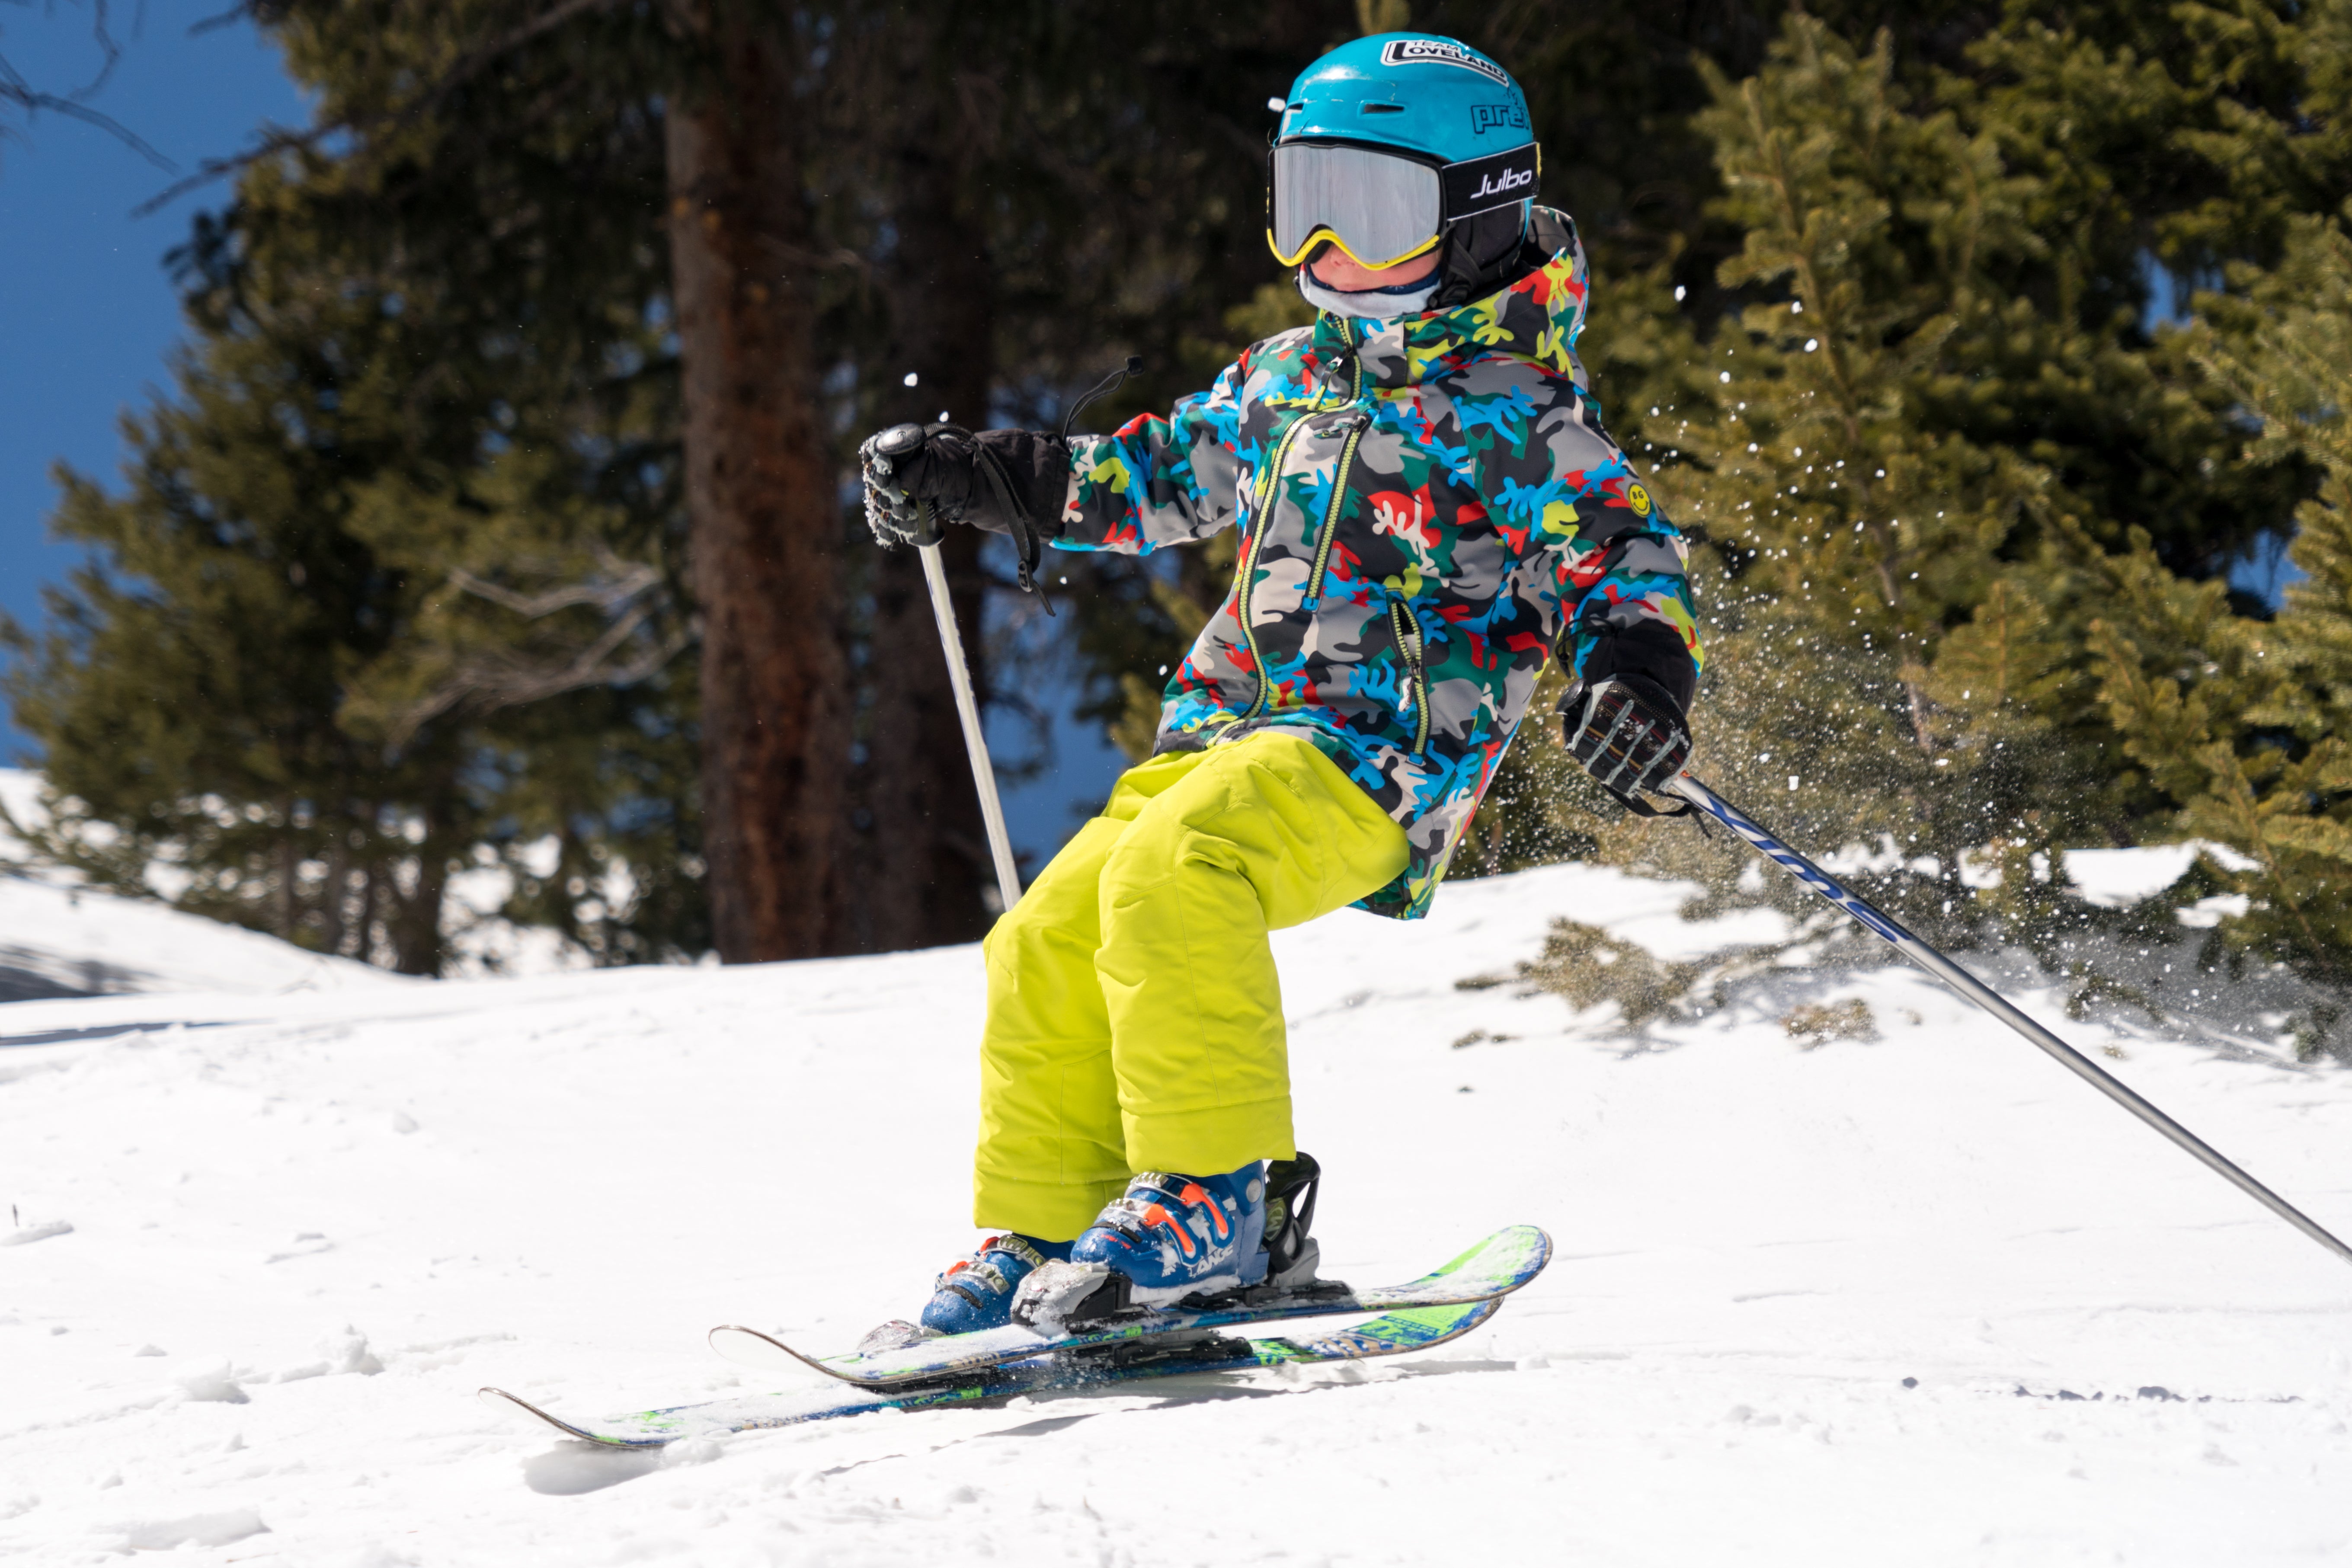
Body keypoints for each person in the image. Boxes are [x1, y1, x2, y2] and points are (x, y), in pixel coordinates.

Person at [858, 32, 1703, 1338]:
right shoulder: (1285, 378)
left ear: (1476, 217)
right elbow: (1151, 478)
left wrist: (1636, 677)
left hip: (1384, 757)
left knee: (1176, 872)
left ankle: (1218, 1199)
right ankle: (1045, 1228)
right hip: (1225, 738)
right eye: (1304, 204)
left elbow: (1626, 560)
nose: (1326, 252)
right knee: (1044, 929)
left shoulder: (1523, 413)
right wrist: (983, 476)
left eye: (1369, 211)